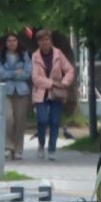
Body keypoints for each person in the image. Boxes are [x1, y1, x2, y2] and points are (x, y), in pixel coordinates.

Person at [31, 30, 76, 160]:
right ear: (38, 42)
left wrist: (64, 82)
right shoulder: (35, 56)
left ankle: (52, 149)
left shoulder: (58, 54)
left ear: (51, 41)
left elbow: (70, 70)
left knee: (55, 121)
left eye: (47, 40)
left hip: (57, 94)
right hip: (41, 93)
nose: (45, 42)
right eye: (42, 40)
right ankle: (41, 144)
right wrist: (52, 83)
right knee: (42, 120)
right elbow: (35, 78)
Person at [0, 33, 33, 161]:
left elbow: (27, 73)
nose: (12, 43)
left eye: (14, 40)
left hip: (21, 92)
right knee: (8, 119)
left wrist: (10, 74)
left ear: (18, 42)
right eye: (9, 41)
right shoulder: (0, 57)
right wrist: (15, 72)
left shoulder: (25, 56)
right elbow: (1, 74)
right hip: (6, 91)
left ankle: (18, 149)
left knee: (20, 121)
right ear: (5, 43)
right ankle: (8, 147)